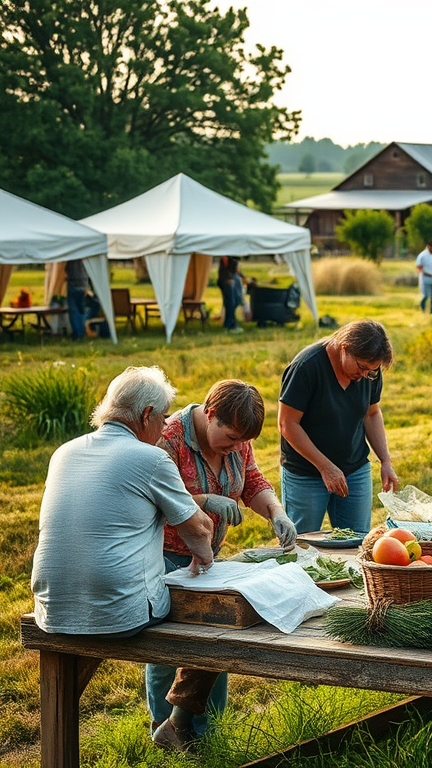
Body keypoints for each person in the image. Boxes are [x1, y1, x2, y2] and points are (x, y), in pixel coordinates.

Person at [29, 367, 217, 750]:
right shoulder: (151, 458)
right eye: (164, 417)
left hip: (52, 608)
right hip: (117, 615)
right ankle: (178, 725)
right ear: (146, 415)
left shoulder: (64, 452)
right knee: (214, 619)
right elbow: (197, 529)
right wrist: (205, 562)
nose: (166, 428)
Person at [146, 380, 298, 738]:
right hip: (165, 555)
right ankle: (163, 728)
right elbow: (152, 498)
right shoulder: (169, 438)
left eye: (241, 442)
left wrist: (276, 512)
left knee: (217, 639)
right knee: (168, 646)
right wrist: (202, 500)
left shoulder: (238, 442)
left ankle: (206, 731)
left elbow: (252, 483)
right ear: (210, 414)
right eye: (229, 438)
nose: (235, 448)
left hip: (208, 557)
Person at [278, 319, 399, 534]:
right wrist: (325, 467)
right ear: (345, 348)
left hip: (354, 469)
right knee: (303, 544)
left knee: (356, 542)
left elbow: (371, 414)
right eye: (362, 368)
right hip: (306, 473)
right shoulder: (306, 366)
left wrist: (385, 461)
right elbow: (287, 424)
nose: (365, 376)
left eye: (371, 371)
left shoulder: (369, 369)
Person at [64, 258, 90, 340]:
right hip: (83, 285)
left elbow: (66, 270)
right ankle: (81, 331)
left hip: (73, 284)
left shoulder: (71, 258)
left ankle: (77, 333)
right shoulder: (86, 258)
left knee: (73, 311)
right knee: (81, 311)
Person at [415, 242, 432, 314]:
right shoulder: (422, 255)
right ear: (429, 247)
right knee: (425, 296)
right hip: (426, 278)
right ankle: (423, 309)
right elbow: (418, 266)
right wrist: (424, 272)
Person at [218, 256, 244, 332]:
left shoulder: (235, 256)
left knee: (237, 299)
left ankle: (228, 321)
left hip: (233, 278)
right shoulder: (226, 255)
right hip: (226, 280)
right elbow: (225, 265)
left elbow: (235, 269)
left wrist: (242, 277)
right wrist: (228, 278)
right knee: (230, 301)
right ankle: (231, 324)